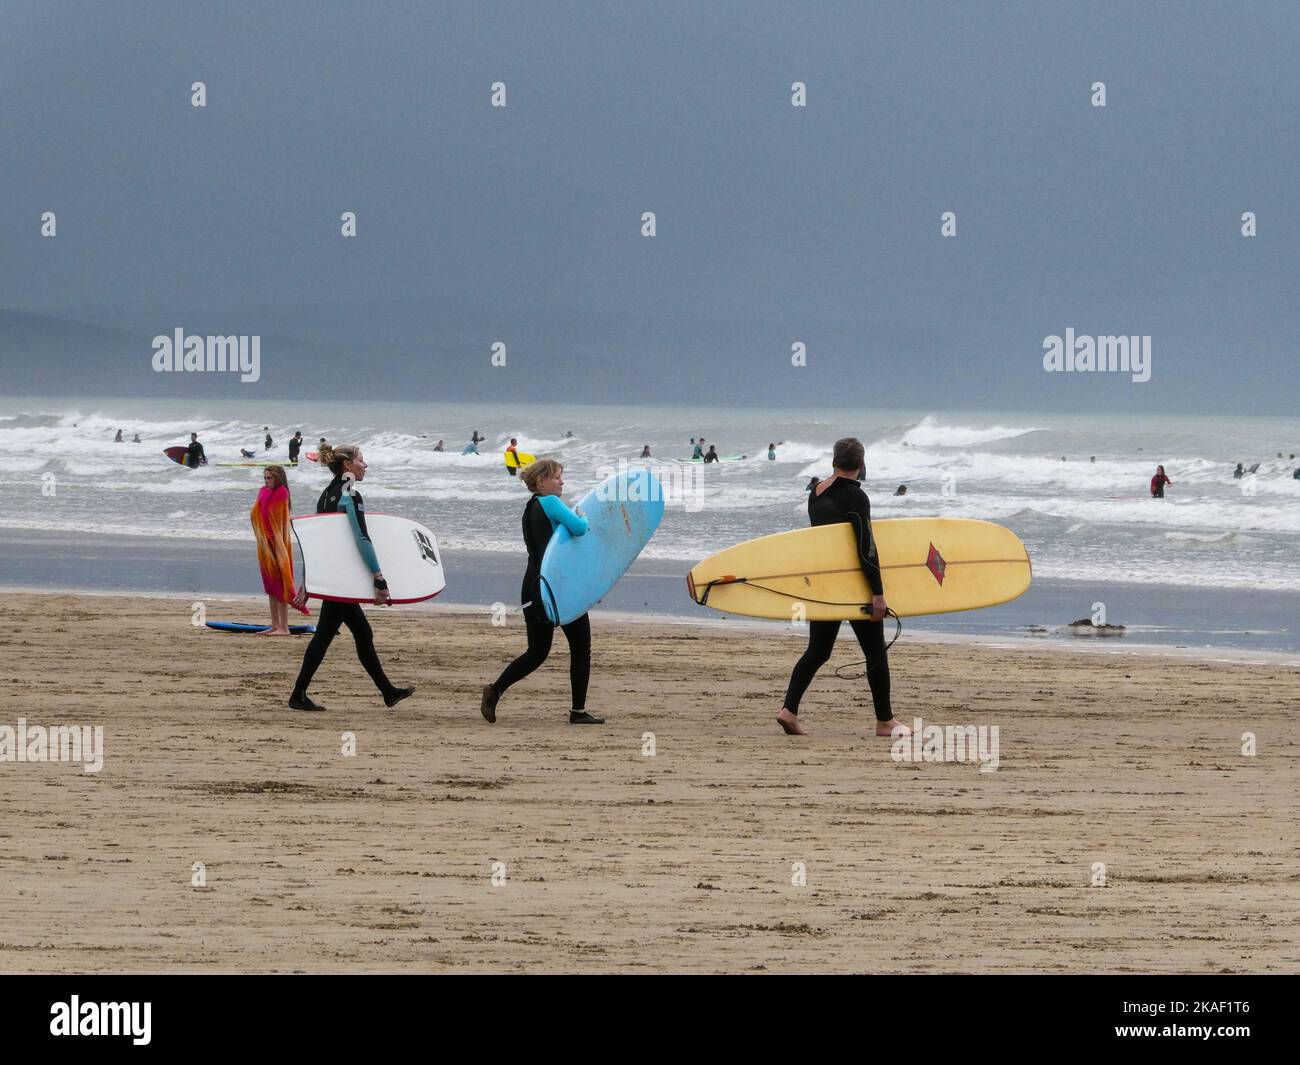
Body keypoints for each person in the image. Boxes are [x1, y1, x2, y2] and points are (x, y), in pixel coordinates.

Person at [776, 437, 912, 739]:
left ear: (833, 461)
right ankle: (885, 722)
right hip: (852, 587)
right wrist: (877, 593)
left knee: (818, 650)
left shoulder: (816, 492)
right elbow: (866, 548)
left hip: (824, 583)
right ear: (862, 465)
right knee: (875, 651)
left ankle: (789, 710)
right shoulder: (855, 497)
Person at [288, 445, 413, 712]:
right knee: (325, 636)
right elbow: (361, 537)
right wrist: (378, 577)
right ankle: (298, 695)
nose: (364, 465)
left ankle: (387, 691)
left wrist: (309, 579)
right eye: (360, 460)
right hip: (341, 578)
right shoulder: (351, 495)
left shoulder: (325, 496)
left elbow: (317, 544)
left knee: (355, 633)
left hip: (333, 575)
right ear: (347, 465)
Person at [480, 459, 603, 725]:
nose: (562, 481)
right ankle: (578, 712)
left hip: (533, 588)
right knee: (581, 648)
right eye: (557, 477)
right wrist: (584, 516)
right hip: (559, 590)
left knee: (537, 651)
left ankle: (496, 689)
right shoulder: (551, 504)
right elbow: (580, 529)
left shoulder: (530, 508)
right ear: (540, 482)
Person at [251, 466, 310, 634]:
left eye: (269, 478)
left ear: (278, 478)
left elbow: (276, 518)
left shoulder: (282, 492)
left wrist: (271, 539)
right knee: (270, 585)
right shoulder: (263, 491)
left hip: (278, 544)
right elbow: (258, 513)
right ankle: (275, 625)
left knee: (281, 584)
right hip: (265, 544)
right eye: (265, 478)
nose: (266, 481)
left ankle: (284, 627)